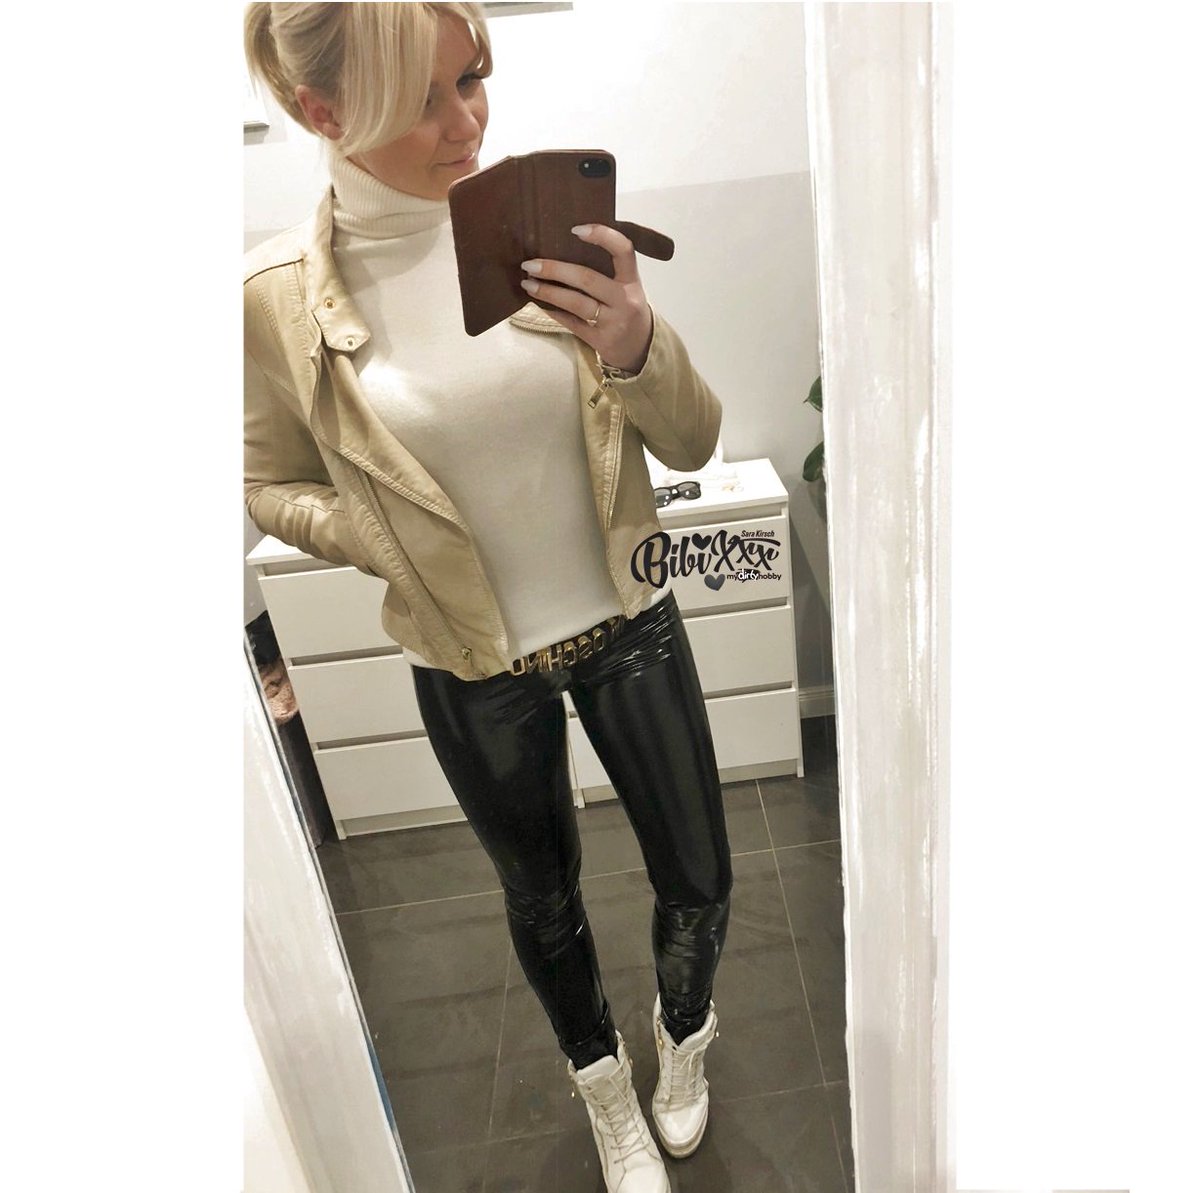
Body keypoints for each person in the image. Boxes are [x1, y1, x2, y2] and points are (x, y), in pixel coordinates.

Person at [243, 6, 732, 1189]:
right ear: (322, 112)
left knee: (701, 875)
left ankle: (682, 1038)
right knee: (543, 899)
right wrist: (370, 534)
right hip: (468, 657)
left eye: (474, 78)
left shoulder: (543, 227)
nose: (469, 121)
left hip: (628, 615)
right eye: (426, 98)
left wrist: (636, 342)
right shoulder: (273, 300)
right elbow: (267, 484)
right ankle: (604, 1090)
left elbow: (693, 438)